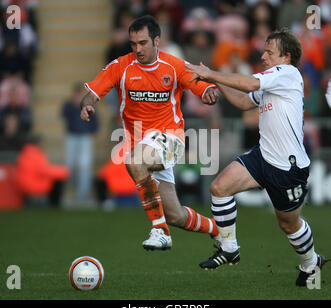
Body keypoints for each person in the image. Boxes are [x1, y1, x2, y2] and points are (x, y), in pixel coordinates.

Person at [187, 28, 328, 287]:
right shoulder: (274, 79)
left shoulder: (288, 74)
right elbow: (243, 102)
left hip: (288, 167)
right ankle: (229, 248)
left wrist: (210, 73)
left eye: (269, 52)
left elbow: (250, 83)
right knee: (219, 188)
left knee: (288, 224)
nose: (263, 56)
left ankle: (311, 262)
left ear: (286, 56)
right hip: (263, 156)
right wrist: (216, 80)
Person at [80, 15, 220, 251]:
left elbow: (201, 85)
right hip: (142, 143)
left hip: (170, 137)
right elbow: (92, 92)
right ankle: (219, 230)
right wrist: (87, 104)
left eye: (143, 43)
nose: (138, 49)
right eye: (133, 44)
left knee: (135, 161)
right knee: (176, 216)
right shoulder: (120, 67)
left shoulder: (174, 66)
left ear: (157, 41)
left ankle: (160, 231)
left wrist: (208, 92)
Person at [61, 82, 98, 201]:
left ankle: (83, 193)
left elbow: (95, 122)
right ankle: (73, 186)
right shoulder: (68, 105)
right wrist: (75, 106)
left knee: (85, 165)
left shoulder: (89, 106)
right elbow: (64, 115)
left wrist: (91, 131)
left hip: (85, 137)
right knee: (69, 164)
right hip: (72, 136)